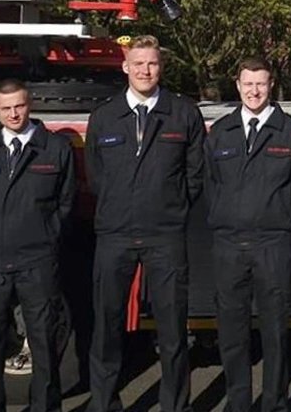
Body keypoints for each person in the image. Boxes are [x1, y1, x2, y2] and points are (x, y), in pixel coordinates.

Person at [85, 35, 206, 412]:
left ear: (161, 67)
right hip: (115, 234)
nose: (145, 70)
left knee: (172, 330)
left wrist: (169, 207)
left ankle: (175, 405)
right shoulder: (104, 116)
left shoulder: (183, 112)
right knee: (107, 326)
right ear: (125, 67)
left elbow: (196, 173)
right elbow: (96, 176)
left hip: (164, 234)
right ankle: (104, 403)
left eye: (152, 63)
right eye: (137, 63)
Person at [0, 79, 76, 412]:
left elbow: (65, 204)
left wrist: (47, 236)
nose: (14, 114)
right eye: (6, 107)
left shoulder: (55, 149)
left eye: (20, 106)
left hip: (37, 261)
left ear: (30, 105)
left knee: (43, 345)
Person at [204, 57, 291, 412]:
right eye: (248, 83)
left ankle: (275, 404)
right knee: (231, 334)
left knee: (276, 332)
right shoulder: (221, 132)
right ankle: (238, 403)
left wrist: (279, 221)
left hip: (272, 245)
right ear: (237, 85)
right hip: (229, 246)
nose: (254, 91)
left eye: (261, 84)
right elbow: (209, 183)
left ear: (271, 85)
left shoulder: (290, 131)